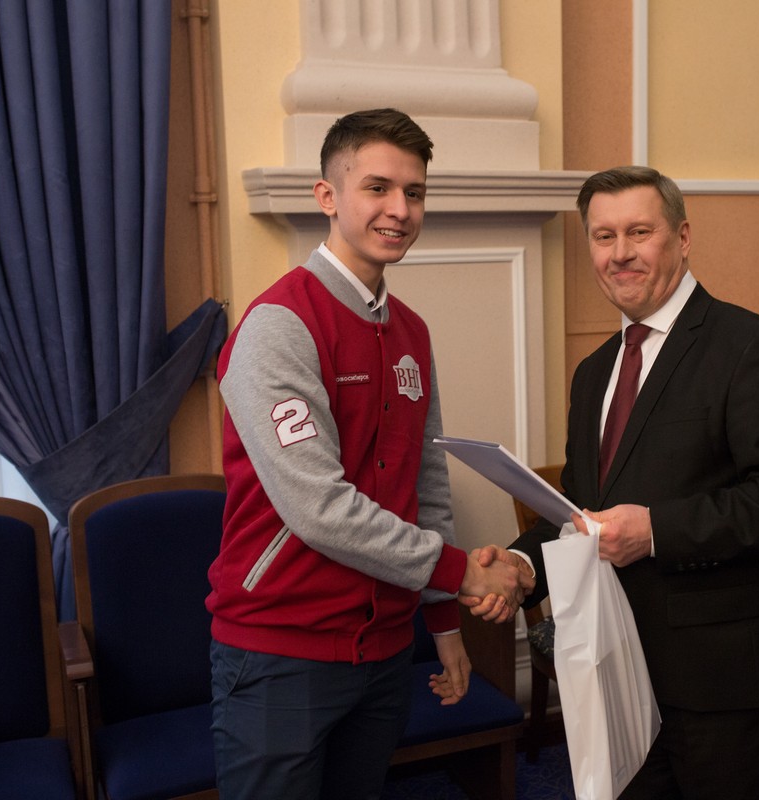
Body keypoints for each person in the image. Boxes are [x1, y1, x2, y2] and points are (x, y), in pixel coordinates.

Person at [467, 165, 759, 799]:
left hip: (728, 678)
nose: (620, 253)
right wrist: (524, 568)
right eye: (603, 236)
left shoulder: (755, 348)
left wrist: (656, 531)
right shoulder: (593, 373)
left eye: (639, 232)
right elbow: (581, 511)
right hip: (618, 667)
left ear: (682, 238)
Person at [206, 108, 529, 800]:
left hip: (384, 651)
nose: (400, 210)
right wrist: (463, 574)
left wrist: (443, 622)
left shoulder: (411, 331)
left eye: (414, 192)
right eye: (377, 188)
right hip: (281, 654)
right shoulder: (279, 326)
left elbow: (425, 486)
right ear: (327, 196)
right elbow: (317, 507)